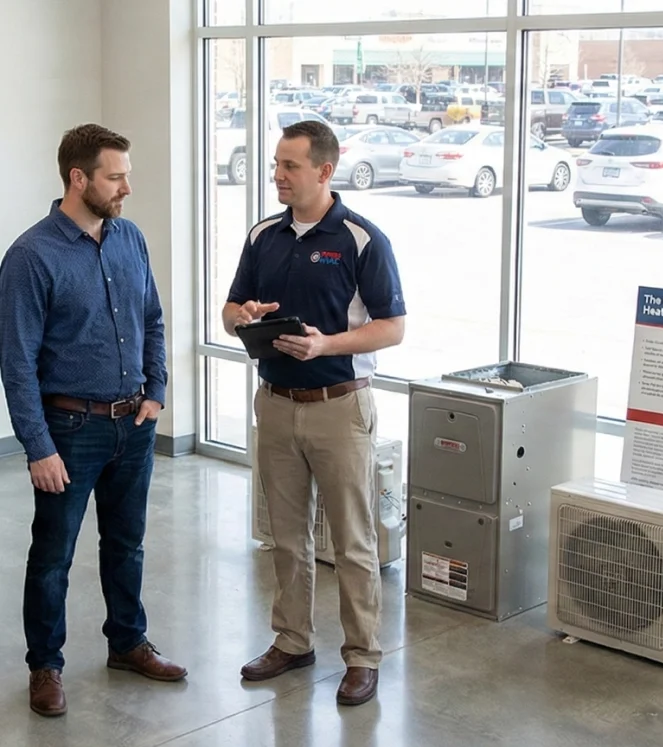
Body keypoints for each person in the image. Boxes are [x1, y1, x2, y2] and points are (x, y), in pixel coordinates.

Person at [0, 124, 187, 718]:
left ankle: (127, 642)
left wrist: (155, 390)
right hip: (69, 432)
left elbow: (152, 318)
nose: (127, 187)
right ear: (78, 178)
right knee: (53, 553)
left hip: (133, 424)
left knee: (127, 542)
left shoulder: (129, 238)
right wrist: (37, 447)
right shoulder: (31, 257)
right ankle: (45, 665)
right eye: (115, 176)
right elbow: (17, 362)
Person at [224, 120, 405, 706]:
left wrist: (326, 344)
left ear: (324, 171)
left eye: (289, 166)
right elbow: (229, 310)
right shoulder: (262, 236)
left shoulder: (360, 238)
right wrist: (243, 314)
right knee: (286, 536)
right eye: (276, 164)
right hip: (274, 405)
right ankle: (293, 640)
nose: (277, 175)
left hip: (340, 408)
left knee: (353, 540)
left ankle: (363, 656)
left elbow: (393, 327)